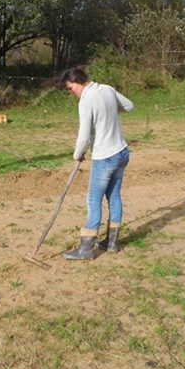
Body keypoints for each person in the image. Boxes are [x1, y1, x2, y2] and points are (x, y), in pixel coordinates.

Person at [57, 67, 134, 260]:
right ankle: (112, 242)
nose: (70, 92)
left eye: (70, 88)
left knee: (93, 199)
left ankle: (86, 249)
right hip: (122, 152)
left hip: (105, 157)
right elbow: (129, 105)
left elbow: (83, 136)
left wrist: (77, 155)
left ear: (77, 82)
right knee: (114, 195)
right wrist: (109, 113)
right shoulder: (107, 89)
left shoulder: (86, 100)